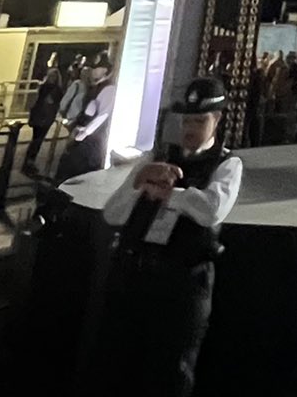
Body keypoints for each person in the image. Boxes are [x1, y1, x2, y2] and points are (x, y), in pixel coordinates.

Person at [100, 75, 243, 397]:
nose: (191, 128)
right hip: (134, 274)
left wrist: (169, 193)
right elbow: (113, 213)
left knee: (170, 371)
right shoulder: (158, 158)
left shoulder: (227, 164)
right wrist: (139, 180)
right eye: (187, 120)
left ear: (217, 120)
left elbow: (211, 210)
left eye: (200, 120)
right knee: (118, 362)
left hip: (181, 282)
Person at [56, 52, 115, 182]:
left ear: (104, 70)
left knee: (80, 172)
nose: (92, 71)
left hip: (92, 140)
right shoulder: (94, 87)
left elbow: (103, 115)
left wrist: (85, 132)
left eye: (95, 68)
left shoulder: (108, 89)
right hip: (82, 134)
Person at [24, 58, 65, 173]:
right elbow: (53, 102)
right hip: (44, 116)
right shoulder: (53, 89)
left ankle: (29, 161)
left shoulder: (45, 87)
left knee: (37, 139)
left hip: (43, 116)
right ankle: (29, 161)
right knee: (37, 140)